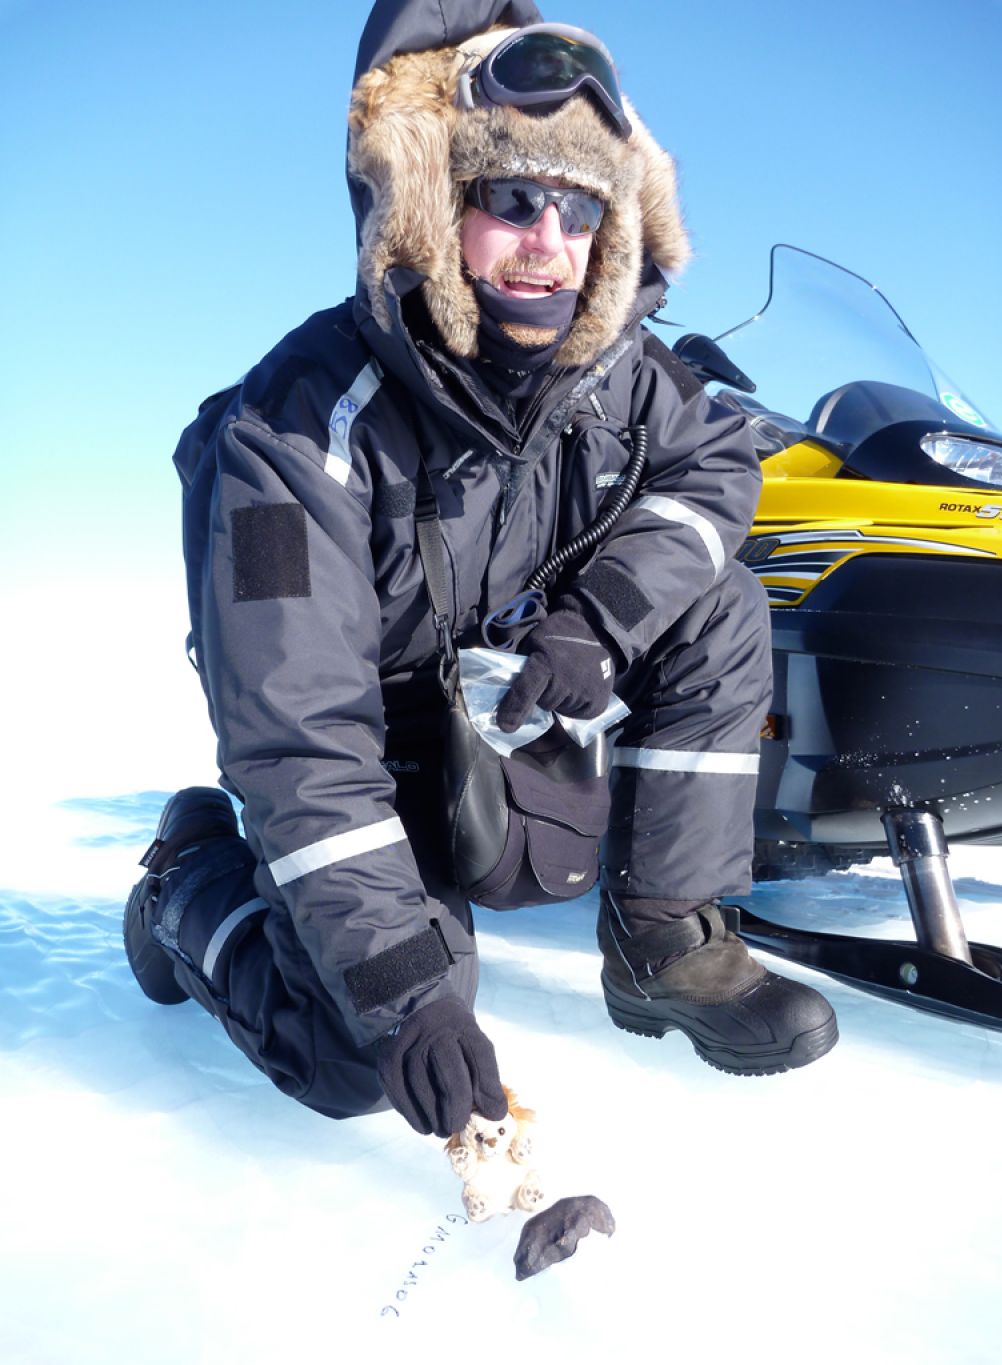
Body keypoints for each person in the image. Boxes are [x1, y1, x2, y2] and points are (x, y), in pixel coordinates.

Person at [125, 0, 838, 1140]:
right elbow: (299, 734)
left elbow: (711, 481)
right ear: (427, 198)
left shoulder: (628, 375)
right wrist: (407, 999)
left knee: (720, 597)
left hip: (512, 696)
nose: (547, 242)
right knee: (354, 1054)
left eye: (580, 207)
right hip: (375, 746)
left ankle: (662, 932)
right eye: (509, 199)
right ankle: (187, 885)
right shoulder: (291, 428)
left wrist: (598, 625)